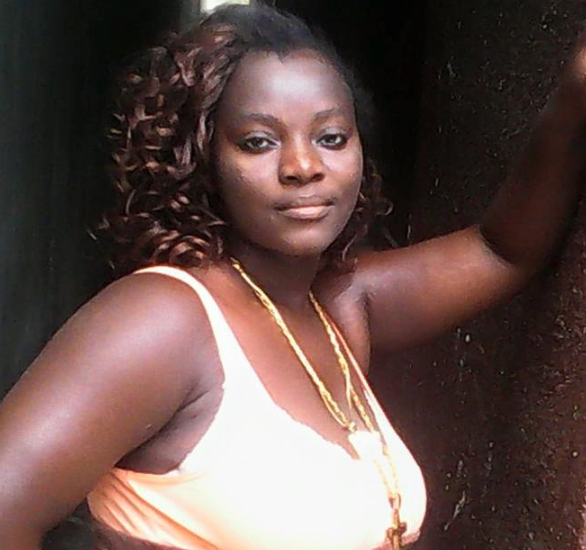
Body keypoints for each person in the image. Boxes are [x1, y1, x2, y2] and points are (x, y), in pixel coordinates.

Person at [1, 4, 586, 550]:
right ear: (204, 159)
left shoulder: (339, 306)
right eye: (258, 142)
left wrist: (575, 93)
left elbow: (500, 250)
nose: (303, 166)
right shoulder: (164, 317)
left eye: (331, 138)